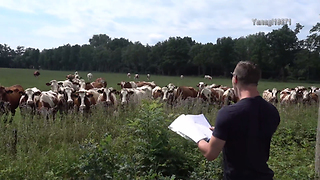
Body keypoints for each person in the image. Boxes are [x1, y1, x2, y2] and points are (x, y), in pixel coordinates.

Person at [197, 61, 280, 180]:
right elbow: (253, 135)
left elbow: (211, 154)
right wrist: (224, 132)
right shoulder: (272, 112)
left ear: (235, 79)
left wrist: (198, 137)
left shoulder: (228, 114)